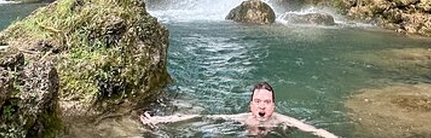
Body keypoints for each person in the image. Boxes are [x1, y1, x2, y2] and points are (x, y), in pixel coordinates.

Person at [140, 81, 339, 137]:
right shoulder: (243, 118)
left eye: (267, 102)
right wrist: (161, 120)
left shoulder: (281, 120)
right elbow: (203, 117)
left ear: (273, 106)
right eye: (258, 101)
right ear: (251, 105)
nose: (262, 106)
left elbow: (313, 130)